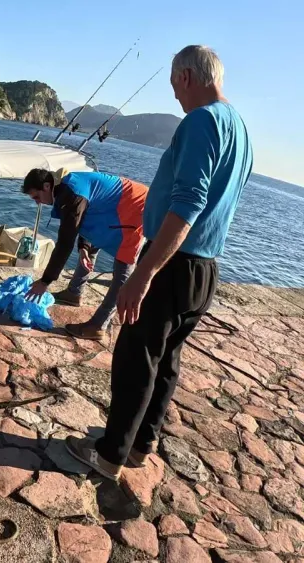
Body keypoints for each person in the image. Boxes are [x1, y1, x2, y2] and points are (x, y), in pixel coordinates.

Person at [66, 45, 253, 479]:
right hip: (205, 269)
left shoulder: (201, 121)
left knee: (135, 357)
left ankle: (109, 455)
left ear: (186, 77)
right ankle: (140, 445)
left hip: (172, 263)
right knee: (165, 360)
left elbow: (189, 202)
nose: (175, 97)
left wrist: (144, 272)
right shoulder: (240, 128)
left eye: (173, 86)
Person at [22, 168, 148, 340]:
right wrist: (84, 248)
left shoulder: (72, 195)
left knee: (122, 270)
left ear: (46, 186)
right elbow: (86, 218)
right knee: (89, 248)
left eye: (36, 197)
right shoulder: (69, 189)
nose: (37, 203)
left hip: (137, 208)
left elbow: (65, 241)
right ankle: (74, 293)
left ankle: (98, 325)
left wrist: (46, 281)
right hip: (114, 207)